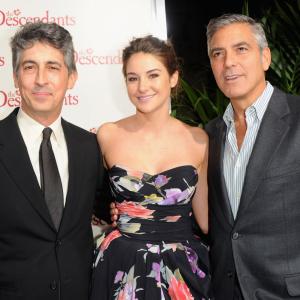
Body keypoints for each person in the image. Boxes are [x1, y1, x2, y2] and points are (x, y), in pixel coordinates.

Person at [90, 35, 212, 299]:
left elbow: (205, 221)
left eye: (153, 75)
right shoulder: (107, 135)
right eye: (132, 78)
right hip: (120, 265)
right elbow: (93, 197)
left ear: (173, 78)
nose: (142, 86)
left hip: (182, 271)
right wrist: (109, 210)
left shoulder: (199, 139)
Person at [0, 22, 105, 300]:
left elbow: (107, 210)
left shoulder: (91, 147)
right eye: (30, 67)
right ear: (15, 76)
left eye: (53, 67)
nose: (41, 80)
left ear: (71, 77)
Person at [205, 13, 300, 299]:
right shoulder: (210, 135)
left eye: (241, 49)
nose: (228, 62)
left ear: (266, 58)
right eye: (217, 53)